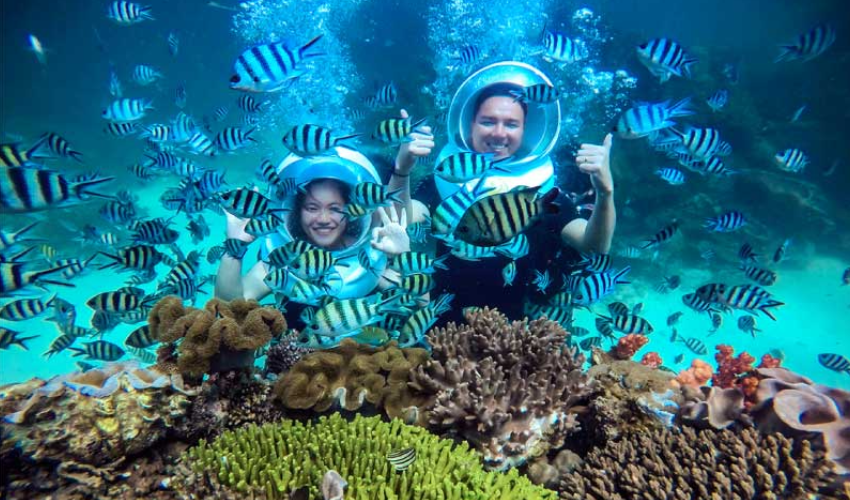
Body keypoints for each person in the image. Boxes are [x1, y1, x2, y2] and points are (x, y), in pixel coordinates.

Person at [396, 62, 616, 323]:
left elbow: (594, 246)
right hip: (443, 324)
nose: (499, 133)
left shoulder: (541, 192)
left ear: (525, 130)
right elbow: (398, 221)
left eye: (511, 124)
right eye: (487, 121)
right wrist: (402, 170)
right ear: (470, 124)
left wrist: (606, 192)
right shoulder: (448, 181)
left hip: (522, 331)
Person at [214, 147, 419, 309]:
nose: (323, 219)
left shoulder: (374, 253)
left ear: (350, 211)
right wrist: (235, 248)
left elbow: (421, 302)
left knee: (418, 211)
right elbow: (228, 308)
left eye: (335, 208)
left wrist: (404, 256)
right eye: (312, 208)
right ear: (296, 211)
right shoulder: (283, 259)